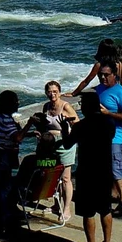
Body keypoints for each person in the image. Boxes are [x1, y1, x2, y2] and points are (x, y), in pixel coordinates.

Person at [61, 91, 119, 242]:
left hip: (87, 173)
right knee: (105, 208)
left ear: (86, 107)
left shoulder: (81, 127)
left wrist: (66, 128)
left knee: (88, 212)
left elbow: (67, 143)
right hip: (105, 170)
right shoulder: (109, 122)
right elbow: (111, 135)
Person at [95, 59, 122, 217]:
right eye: (100, 75)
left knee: (117, 170)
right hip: (101, 136)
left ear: (114, 75)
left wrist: (108, 113)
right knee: (107, 169)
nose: (103, 78)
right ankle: (112, 195)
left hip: (115, 138)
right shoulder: (99, 89)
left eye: (106, 75)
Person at [0, 91, 27, 232]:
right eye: (15, 101)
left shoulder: (0, 117)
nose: (18, 103)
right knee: (2, 190)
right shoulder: (5, 119)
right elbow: (17, 138)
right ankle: (1, 223)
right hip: (0, 156)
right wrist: (30, 124)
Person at [40, 80, 79, 223]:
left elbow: (78, 124)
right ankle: (56, 205)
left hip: (65, 144)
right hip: (50, 145)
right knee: (54, 176)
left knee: (66, 178)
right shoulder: (46, 107)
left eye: (55, 91)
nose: (52, 94)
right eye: (50, 92)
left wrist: (67, 129)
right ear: (46, 93)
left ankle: (67, 208)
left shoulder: (65, 106)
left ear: (60, 92)